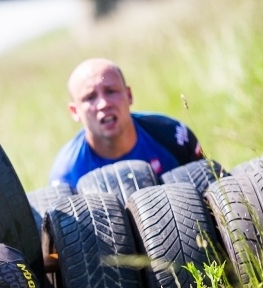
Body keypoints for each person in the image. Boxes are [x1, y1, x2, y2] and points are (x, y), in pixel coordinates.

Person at [49, 57, 204, 189]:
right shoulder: (66, 175)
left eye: (111, 91)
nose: (103, 104)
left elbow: (210, 185)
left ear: (129, 95)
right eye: (90, 97)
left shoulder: (173, 135)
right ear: (75, 111)